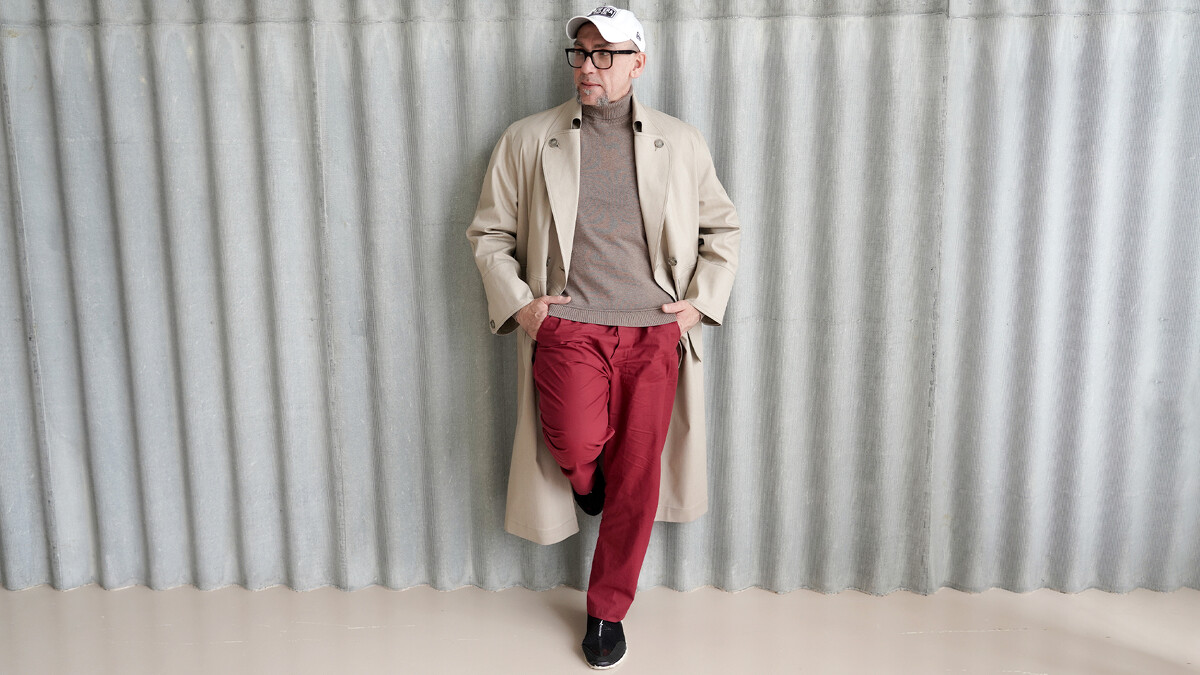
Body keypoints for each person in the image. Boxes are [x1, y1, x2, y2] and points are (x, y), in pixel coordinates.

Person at [466, 5, 740, 668]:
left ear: (637, 63)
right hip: (569, 326)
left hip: (654, 330)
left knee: (638, 475)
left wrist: (698, 307)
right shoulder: (530, 139)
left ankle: (606, 611)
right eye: (581, 54)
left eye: (605, 55)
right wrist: (526, 308)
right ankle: (587, 479)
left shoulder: (680, 141)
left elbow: (722, 229)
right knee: (574, 439)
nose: (588, 67)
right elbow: (489, 233)